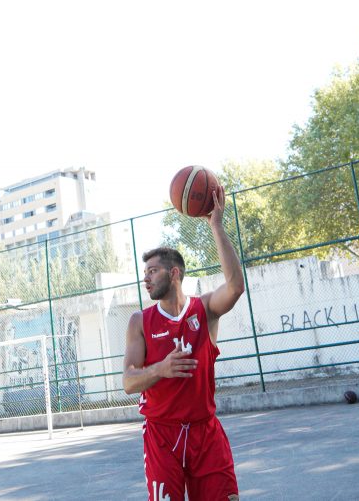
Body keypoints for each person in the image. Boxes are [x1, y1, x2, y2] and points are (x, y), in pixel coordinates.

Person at [123, 185, 244, 501]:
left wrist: (216, 225)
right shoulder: (140, 322)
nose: (146, 278)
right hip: (163, 436)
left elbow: (235, 286)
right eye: (144, 272)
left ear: (174, 274)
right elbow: (128, 381)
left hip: (206, 434)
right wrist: (161, 369)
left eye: (153, 271)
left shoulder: (203, 310)